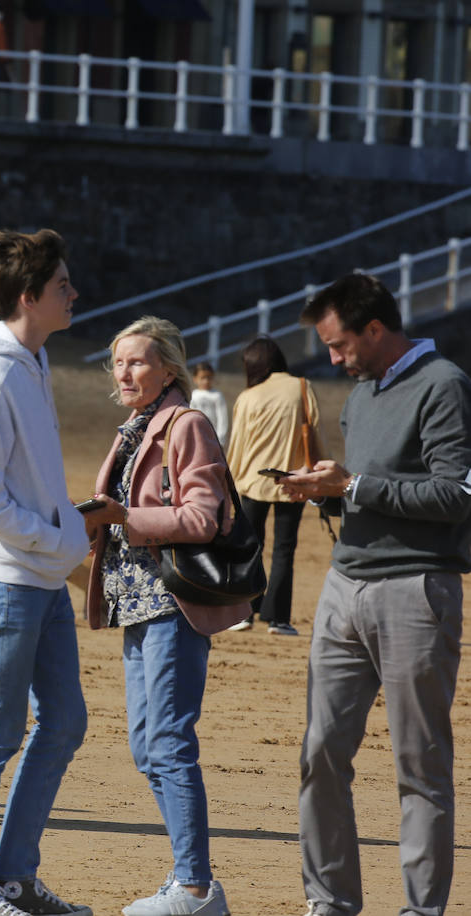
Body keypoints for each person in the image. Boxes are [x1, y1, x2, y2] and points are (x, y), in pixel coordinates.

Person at [281, 273, 469, 916]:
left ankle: (421, 911)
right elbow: (366, 487)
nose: (333, 359)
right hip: (344, 584)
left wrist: (355, 486)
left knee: (420, 765)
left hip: (417, 590)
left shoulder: (444, 385)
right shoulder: (361, 394)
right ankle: (329, 901)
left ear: (376, 329)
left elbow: (456, 496)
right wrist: (325, 490)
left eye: (339, 346)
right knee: (320, 752)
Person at [0, 229, 93, 916]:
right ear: (29, 296)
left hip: (38, 574)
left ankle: (15, 878)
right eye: (62, 284)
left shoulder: (31, 362)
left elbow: (27, 482)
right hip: (9, 578)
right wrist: (56, 539)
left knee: (63, 721)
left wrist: (61, 545)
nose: (74, 293)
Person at [81, 316, 246, 916]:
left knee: (170, 741)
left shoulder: (187, 424)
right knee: (146, 745)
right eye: (118, 362)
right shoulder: (134, 427)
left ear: (168, 369)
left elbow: (204, 517)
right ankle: (189, 880)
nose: (124, 372)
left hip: (174, 602)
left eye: (137, 362)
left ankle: (196, 886)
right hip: (136, 603)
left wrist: (123, 518)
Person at [224, 337, 321, 636]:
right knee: (284, 549)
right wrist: (319, 475)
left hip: (253, 481)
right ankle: (278, 619)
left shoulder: (248, 396)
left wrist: (229, 482)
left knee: (249, 547)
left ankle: (245, 613)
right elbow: (315, 432)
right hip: (294, 480)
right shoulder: (301, 387)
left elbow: (237, 444)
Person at [187, 362, 227, 448]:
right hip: (196, 438)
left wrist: (221, 440)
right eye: (202, 378)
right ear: (195, 379)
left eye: (209, 377)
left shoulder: (217, 395)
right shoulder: (193, 396)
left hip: (213, 439)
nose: (206, 381)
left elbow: (222, 419)